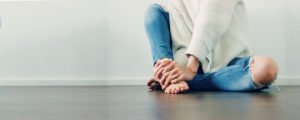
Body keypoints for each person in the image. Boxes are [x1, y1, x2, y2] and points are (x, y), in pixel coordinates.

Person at [144, 0, 278, 94]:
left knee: (267, 68)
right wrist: (174, 69)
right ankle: (167, 75)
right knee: (154, 11)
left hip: (228, 63)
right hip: (188, 65)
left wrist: (190, 69)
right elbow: (182, 40)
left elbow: (211, 19)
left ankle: (191, 82)